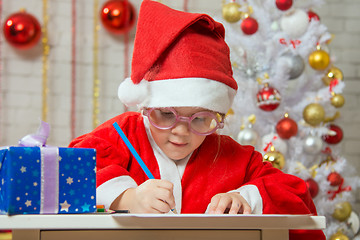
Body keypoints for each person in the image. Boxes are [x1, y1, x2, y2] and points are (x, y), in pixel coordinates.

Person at [69, 1, 325, 239]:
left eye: (201, 119)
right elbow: (71, 170)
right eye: (167, 114)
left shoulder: (231, 156)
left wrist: (244, 197)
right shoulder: (123, 134)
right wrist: (127, 197)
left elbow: (295, 195)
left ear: (219, 117)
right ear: (146, 108)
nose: (181, 131)